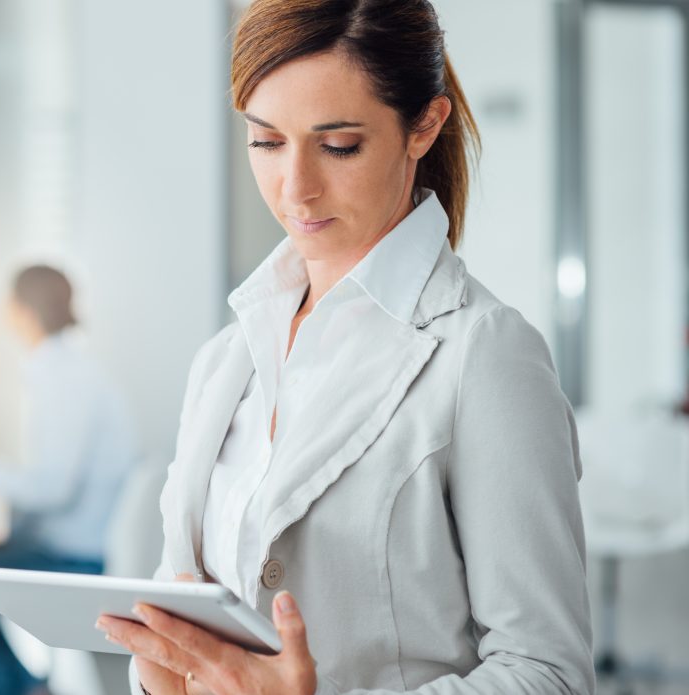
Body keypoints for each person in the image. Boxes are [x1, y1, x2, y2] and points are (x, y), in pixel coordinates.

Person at [95, 2, 595, 694]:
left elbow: (548, 673)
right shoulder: (224, 361)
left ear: (424, 125)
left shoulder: (484, 355)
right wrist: (159, 676)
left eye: (338, 146)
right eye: (266, 141)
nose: (294, 187)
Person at [0, 265, 139, 695]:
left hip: (80, 560)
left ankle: (24, 690)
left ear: (21, 311)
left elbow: (52, 488)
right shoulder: (67, 369)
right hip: (77, 546)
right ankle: (29, 687)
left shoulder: (64, 378)